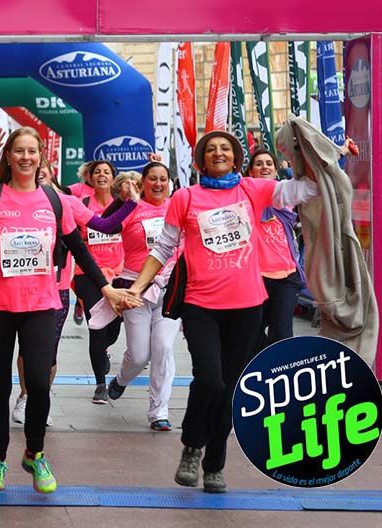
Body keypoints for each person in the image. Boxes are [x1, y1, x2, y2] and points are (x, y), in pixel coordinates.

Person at [127, 130, 320, 494]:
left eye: (225, 149)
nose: (218, 153)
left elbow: (307, 189)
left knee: (231, 389)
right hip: (201, 306)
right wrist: (137, 287)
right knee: (210, 379)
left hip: (247, 306)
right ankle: (191, 446)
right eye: (211, 149)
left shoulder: (254, 189)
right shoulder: (185, 197)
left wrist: (311, 149)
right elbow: (164, 248)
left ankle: (214, 464)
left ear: (235, 158)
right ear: (201, 160)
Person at [0, 128, 140, 493]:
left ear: (41, 158)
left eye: (32, 152)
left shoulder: (54, 201)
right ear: (8, 156)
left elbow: (79, 247)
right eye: (19, 151)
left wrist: (105, 288)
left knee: (39, 384)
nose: (26, 158)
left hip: (41, 305)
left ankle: (35, 453)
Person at [105, 163, 183, 431]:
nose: (159, 184)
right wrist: (125, 202)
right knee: (139, 355)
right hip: (135, 288)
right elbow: (105, 225)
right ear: (142, 183)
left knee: (162, 348)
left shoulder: (178, 206)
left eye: (163, 179)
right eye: (153, 179)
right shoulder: (132, 208)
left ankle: (158, 411)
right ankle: (121, 380)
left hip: (171, 289)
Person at [69, 159, 132, 404]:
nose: (102, 175)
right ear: (90, 177)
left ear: (113, 178)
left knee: (113, 329)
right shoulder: (83, 204)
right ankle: (100, 384)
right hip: (88, 273)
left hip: (118, 272)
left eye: (106, 172)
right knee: (96, 326)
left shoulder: (125, 204)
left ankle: (104, 348)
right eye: (97, 172)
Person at [247, 150, 303, 350]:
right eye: (259, 164)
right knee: (251, 335)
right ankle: (255, 372)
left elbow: (306, 182)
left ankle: (278, 374)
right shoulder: (244, 198)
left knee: (282, 334)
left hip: (286, 277)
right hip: (254, 279)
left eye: (269, 163)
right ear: (250, 171)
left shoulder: (285, 195)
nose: (265, 167)